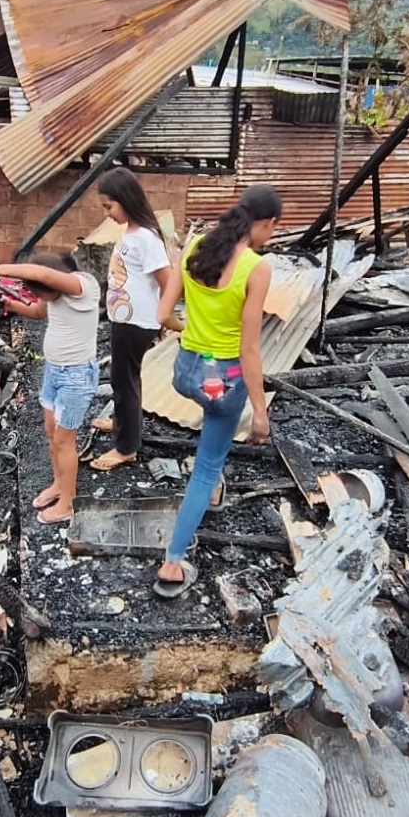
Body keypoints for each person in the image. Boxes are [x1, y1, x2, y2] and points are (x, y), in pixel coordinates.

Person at [152, 185, 280, 599]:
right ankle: (173, 560)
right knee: (207, 461)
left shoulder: (195, 251)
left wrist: (195, 336)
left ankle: (213, 487)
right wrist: (260, 413)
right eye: (272, 230)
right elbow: (249, 349)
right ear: (264, 224)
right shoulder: (256, 267)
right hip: (224, 382)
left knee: (212, 430)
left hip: (187, 373)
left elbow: (162, 315)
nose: (270, 237)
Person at [0, 252, 101, 526]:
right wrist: (7, 303)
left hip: (76, 376)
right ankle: (59, 483)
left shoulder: (82, 287)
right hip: (54, 372)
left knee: (64, 440)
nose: (43, 298)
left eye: (43, 292)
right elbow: (36, 311)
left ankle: (68, 502)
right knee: (50, 431)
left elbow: (45, 276)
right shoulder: (53, 297)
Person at [88, 167, 172, 472]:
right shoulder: (133, 233)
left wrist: (164, 318)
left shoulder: (146, 239)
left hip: (136, 322)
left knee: (125, 381)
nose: (107, 213)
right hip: (126, 319)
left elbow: (168, 281)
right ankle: (122, 423)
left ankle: (126, 448)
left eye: (109, 206)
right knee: (124, 379)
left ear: (126, 199)